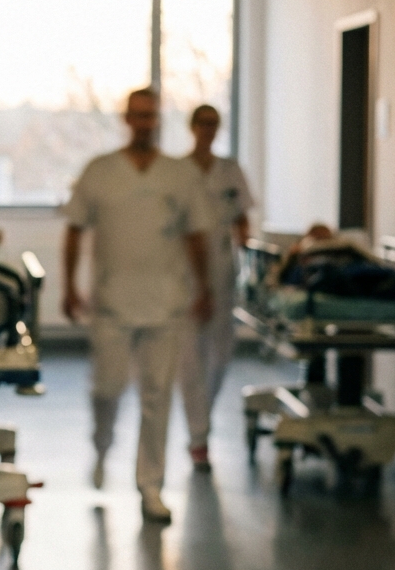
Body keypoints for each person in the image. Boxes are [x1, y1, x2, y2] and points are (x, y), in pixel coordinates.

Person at [61, 88, 213, 523]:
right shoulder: (100, 171)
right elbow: (74, 230)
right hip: (112, 303)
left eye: (151, 116)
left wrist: (205, 288)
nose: (144, 123)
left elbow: (196, 236)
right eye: (137, 115)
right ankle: (101, 446)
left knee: (157, 397)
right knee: (107, 389)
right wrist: (69, 287)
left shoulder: (179, 175)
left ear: (158, 120)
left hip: (166, 304)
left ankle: (151, 486)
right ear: (126, 119)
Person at [179, 105, 253, 471]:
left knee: (220, 356)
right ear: (192, 127)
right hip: (184, 273)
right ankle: (198, 438)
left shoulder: (230, 170)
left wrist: (253, 264)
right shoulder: (178, 172)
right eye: (203, 123)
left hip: (223, 269)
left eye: (214, 124)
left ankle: (202, 419)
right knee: (191, 358)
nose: (208, 130)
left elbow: (242, 218)